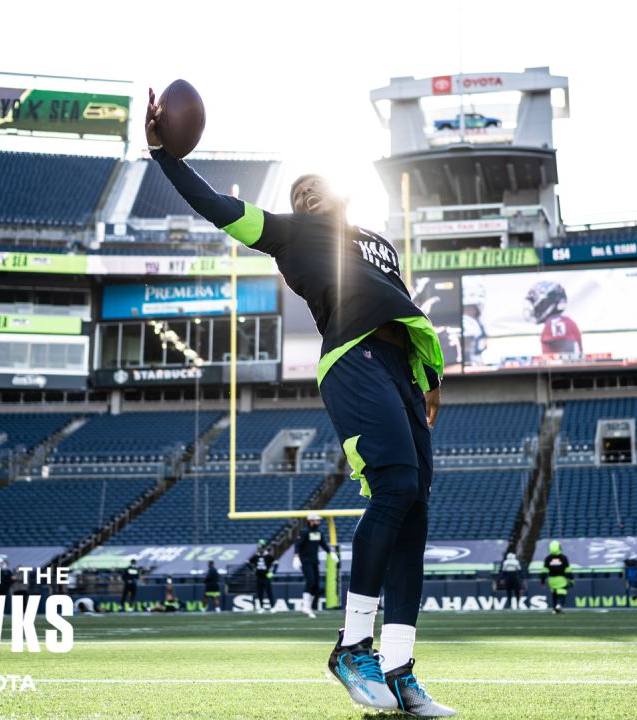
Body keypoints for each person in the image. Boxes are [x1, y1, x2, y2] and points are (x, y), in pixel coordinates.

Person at [147, 90, 450, 717]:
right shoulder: (292, 235)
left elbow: (401, 309)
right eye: (298, 192)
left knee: (415, 512)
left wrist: (429, 376)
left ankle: (399, 671)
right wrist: (163, 156)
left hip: (401, 366)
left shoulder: (380, 244)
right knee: (394, 492)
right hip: (355, 363)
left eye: (316, 189)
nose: (307, 196)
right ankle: (352, 647)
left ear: (343, 193)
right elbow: (217, 206)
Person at [525, 281, 581, 355]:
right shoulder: (559, 321)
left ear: (545, 302)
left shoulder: (556, 323)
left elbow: (567, 359)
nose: (533, 306)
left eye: (534, 301)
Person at [295, 514, 330, 618]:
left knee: (315, 584)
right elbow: (298, 544)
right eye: (316, 520)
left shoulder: (319, 532)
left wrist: (330, 553)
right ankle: (305, 606)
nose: (318, 522)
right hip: (305, 560)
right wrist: (296, 557)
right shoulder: (304, 532)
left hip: (314, 561)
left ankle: (308, 607)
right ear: (310, 521)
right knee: (310, 580)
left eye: (318, 521)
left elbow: (323, 544)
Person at [540, 541, 572, 614]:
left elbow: (544, 571)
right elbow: (568, 570)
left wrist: (542, 581)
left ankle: (554, 608)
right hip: (561, 579)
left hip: (551, 580)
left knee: (554, 593)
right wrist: (571, 579)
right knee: (562, 592)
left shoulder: (548, 558)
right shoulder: (563, 558)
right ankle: (559, 605)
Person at [247, 540, 277, 614]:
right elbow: (247, 562)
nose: (258, 549)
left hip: (266, 577)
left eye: (260, 548)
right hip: (258, 577)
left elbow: (276, 564)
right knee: (260, 593)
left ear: (263, 549)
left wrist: (272, 573)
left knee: (269, 592)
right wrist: (253, 570)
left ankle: (272, 607)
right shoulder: (256, 556)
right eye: (258, 548)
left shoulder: (268, 556)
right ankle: (261, 607)